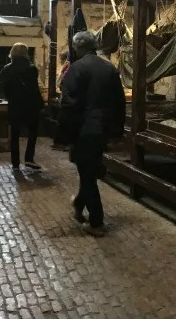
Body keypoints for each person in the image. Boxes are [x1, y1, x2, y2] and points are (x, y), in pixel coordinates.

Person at [56, 31, 125, 237]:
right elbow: (119, 103)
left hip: (84, 130)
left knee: (87, 175)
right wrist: (116, 131)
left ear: (77, 48)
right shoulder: (109, 68)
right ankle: (78, 203)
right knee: (89, 169)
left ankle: (96, 222)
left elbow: (69, 104)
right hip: (102, 129)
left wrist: (63, 135)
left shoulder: (76, 69)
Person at [0, 43, 44, 171]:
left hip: (15, 105)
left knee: (15, 134)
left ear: (12, 53)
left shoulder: (6, 69)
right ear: (26, 53)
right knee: (32, 132)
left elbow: (5, 89)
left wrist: (12, 99)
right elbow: (34, 89)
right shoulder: (32, 69)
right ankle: (29, 159)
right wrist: (40, 104)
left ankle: (15, 162)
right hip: (31, 105)